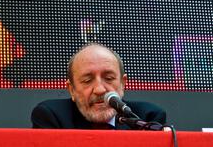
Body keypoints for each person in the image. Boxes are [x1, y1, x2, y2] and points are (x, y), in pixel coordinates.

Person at [31, 44, 166, 129]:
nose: (100, 89)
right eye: (87, 80)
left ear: (122, 84)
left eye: (109, 78)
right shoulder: (52, 117)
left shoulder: (148, 118)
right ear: (72, 90)